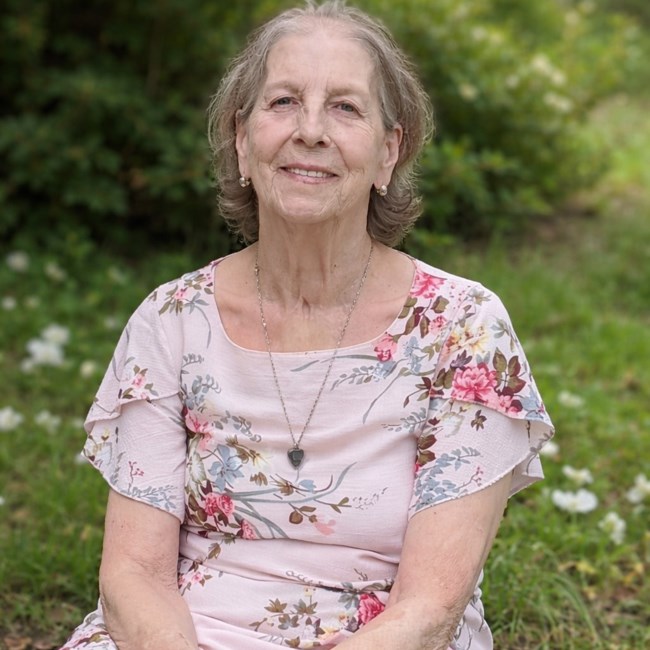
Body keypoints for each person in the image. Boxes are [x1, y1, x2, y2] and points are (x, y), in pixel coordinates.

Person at [60, 1, 554, 649]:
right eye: (284, 101)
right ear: (243, 141)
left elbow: (431, 608)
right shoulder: (171, 321)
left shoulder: (463, 327)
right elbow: (134, 576)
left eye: (345, 107)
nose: (311, 130)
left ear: (388, 152)